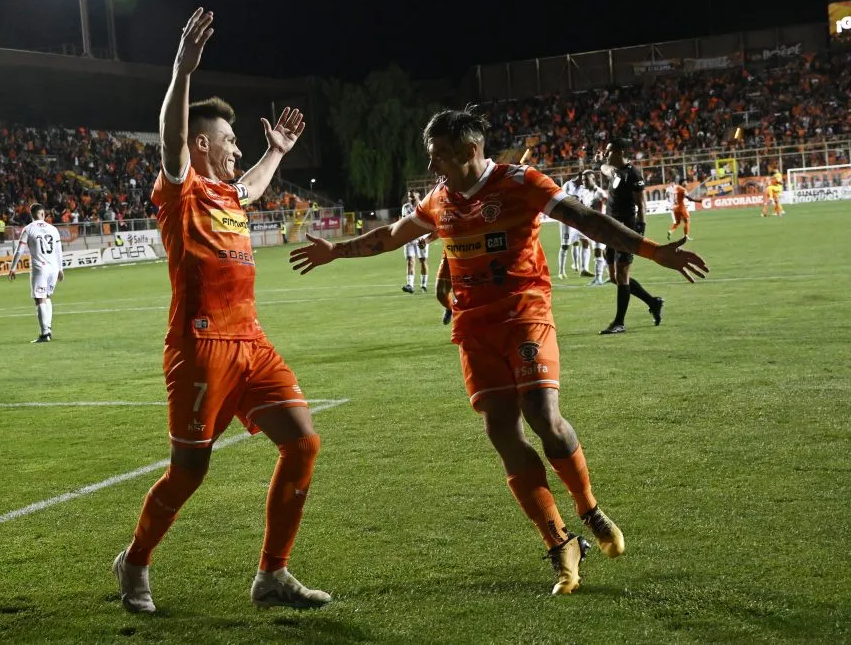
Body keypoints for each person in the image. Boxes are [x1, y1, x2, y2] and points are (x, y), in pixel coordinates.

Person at [290, 107, 708, 595]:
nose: (435, 165)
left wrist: (655, 252)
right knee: (503, 433)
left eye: (442, 155)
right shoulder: (438, 201)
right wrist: (335, 250)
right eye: (431, 157)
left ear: (471, 150)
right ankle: (560, 543)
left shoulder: (520, 182)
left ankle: (589, 507)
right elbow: (389, 237)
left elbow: (587, 219)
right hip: (474, 328)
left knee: (542, 414)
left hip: (525, 313)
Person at [112, 8, 330, 614]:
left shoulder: (230, 195)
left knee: (303, 442)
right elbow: (172, 141)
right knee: (189, 472)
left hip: (251, 343)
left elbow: (254, 186)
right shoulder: (180, 191)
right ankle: (134, 563)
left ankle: (272, 576)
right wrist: (182, 69)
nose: (238, 149)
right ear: (203, 144)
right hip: (201, 347)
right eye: (231, 142)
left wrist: (276, 152)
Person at [597, 142, 665, 335]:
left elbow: (641, 205)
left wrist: (639, 233)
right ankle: (653, 302)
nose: (606, 153)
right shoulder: (614, 170)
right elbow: (605, 168)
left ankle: (619, 322)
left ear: (619, 151)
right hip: (610, 231)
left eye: (609, 151)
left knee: (622, 275)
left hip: (626, 231)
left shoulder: (633, 174)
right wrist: (601, 161)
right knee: (613, 277)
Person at [8, 203, 64, 343]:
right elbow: (58, 251)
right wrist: (61, 269)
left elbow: (19, 250)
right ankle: (48, 329)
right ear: (43, 214)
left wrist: (13, 267)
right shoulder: (53, 229)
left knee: (39, 299)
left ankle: (45, 334)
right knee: (47, 297)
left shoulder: (28, 229)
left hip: (40, 269)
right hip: (53, 268)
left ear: (31, 214)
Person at [582, 171, 609, 285]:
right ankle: (613, 275)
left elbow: (609, 203)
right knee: (602, 253)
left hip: (601, 226)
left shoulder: (599, 193)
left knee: (598, 251)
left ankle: (598, 279)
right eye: (583, 180)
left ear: (593, 179)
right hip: (592, 227)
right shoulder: (585, 193)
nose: (584, 182)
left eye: (586, 180)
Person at [400, 191, 429, 293]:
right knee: (410, 261)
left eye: (412, 196)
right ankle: (410, 285)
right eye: (409, 196)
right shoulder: (405, 207)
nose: (411, 198)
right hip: (409, 239)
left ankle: (423, 285)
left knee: (422, 261)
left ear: (418, 195)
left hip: (421, 239)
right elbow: (404, 222)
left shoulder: (424, 206)